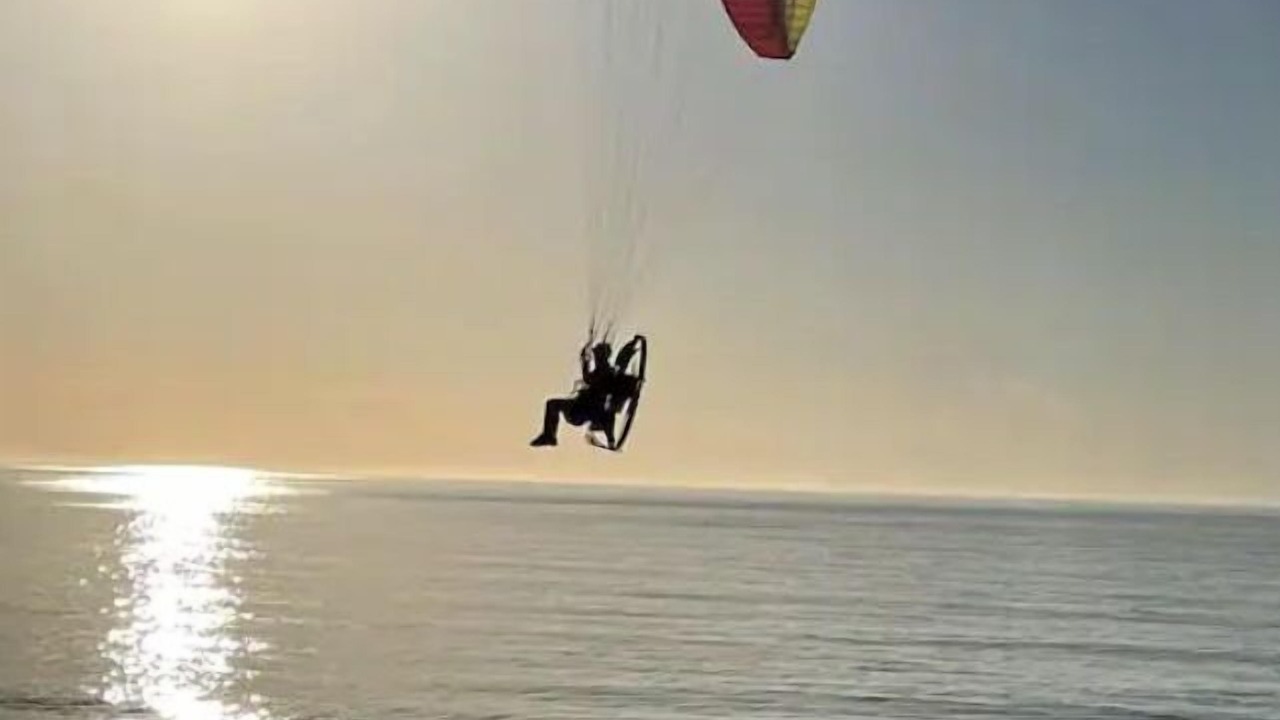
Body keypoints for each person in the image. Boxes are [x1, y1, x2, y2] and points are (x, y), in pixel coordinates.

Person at [530, 336, 641, 448]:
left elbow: (590, 378)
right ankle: (549, 435)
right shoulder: (604, 371)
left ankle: (549, 436)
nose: (595, 358)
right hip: (583, 407)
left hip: (584, 410)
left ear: (602, 356)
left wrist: (585, 362)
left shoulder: (607, 373)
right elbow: (621, 360)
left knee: (553, 404)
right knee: (552, 404)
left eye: (597, 354)